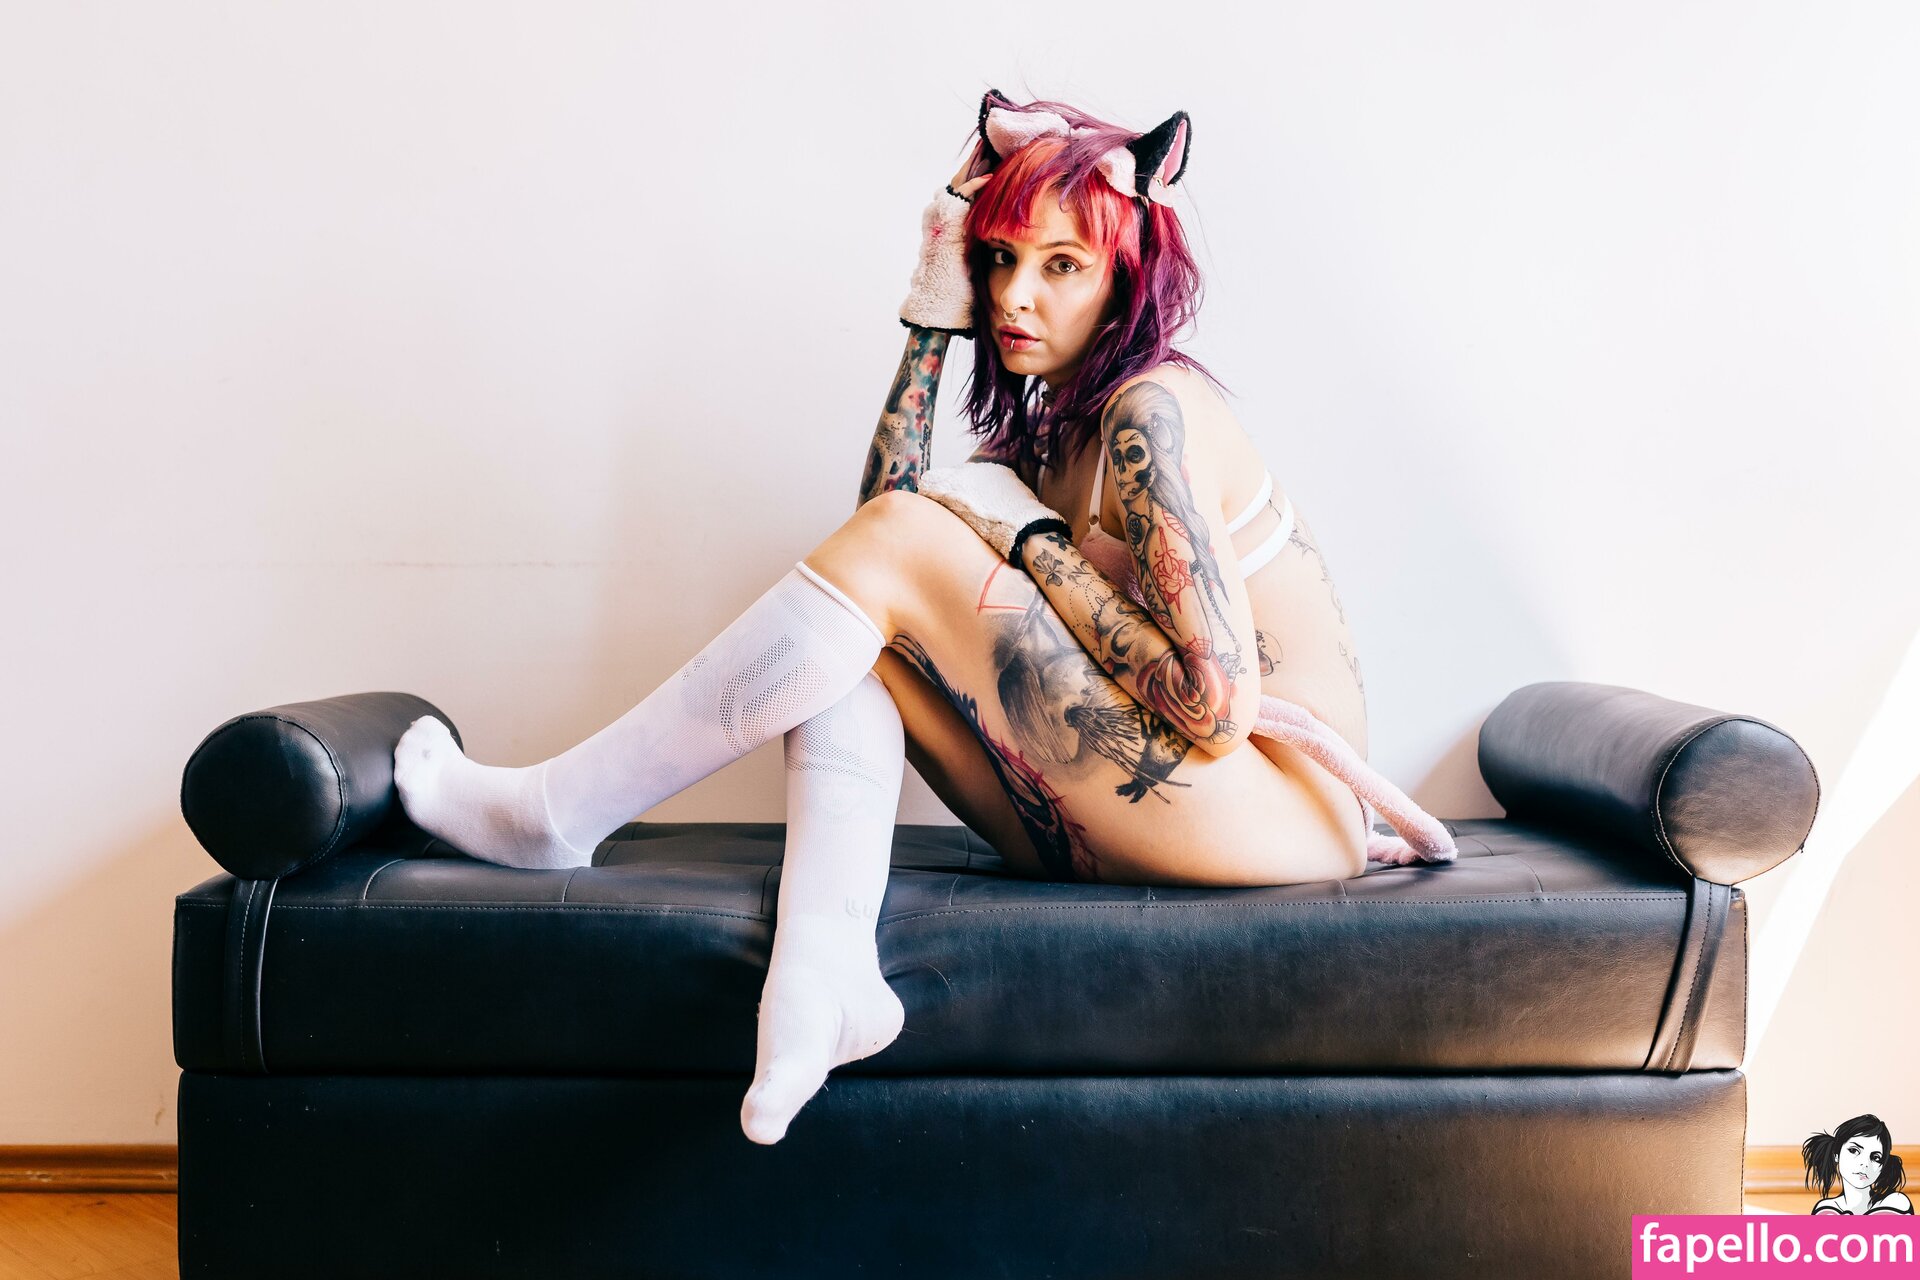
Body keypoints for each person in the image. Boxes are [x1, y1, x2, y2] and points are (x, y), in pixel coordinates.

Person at [389, 89, 1429, 1147]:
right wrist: (933, 310)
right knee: (861, 639)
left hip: (1279, 819)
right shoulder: (1051, 434)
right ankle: (828, 967)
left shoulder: (1147, 411)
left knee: (905, 559)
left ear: (1126, 278)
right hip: (1153, 811)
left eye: (1062, 265)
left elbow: (1216, 706)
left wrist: (1033, 544)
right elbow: (868, 562)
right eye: (998, 259)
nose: (1015, 294)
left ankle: (557, 812)